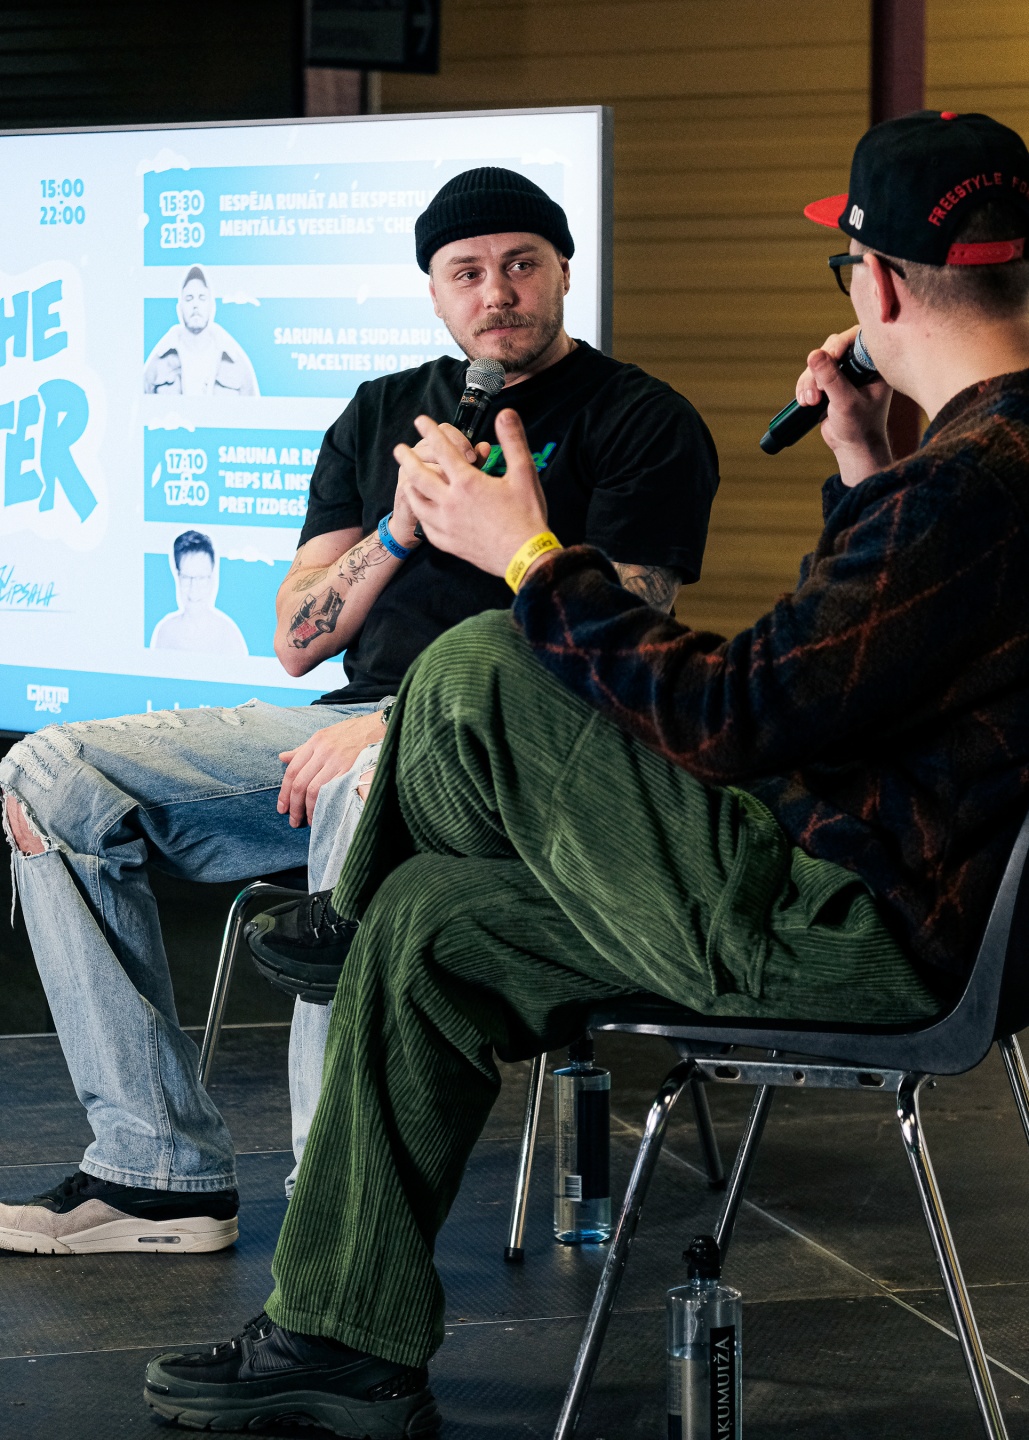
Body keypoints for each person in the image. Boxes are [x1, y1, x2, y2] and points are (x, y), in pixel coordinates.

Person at [141, 110, 1029, 1438]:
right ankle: (341, 1342)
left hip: (852, 930)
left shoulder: (971, 484)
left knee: (486, 659)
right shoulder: (976, 466)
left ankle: (345, 909)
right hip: (876, 886)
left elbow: (736, 715)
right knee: (427, 923)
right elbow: (870, 672)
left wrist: (528, 555)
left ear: (881, 286)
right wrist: (859, 455)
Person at [0, 167, 719, 1255]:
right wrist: (397, 531)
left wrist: (409, 706)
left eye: (521, 264)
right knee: (48, 776)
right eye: (466, 272)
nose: (497, 292)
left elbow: (617, 650)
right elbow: (298, 641)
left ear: (564, 271)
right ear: (434, 290)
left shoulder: (641, 419)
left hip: (528, 757)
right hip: (344, 722)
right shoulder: (381, 413)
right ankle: (157, 1171)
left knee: (356, 777)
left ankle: (337, 1220)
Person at [143, 266, 259, 396]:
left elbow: (254, 408)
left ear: (212, 306)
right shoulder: (158, 363)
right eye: (189, 298)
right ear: (179, 308)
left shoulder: (236, 363)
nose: (195, 305)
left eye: (202, 298)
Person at [150, 530, 249, 656]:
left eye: (201, 578)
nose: (194, 588)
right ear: (178, 577)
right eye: (186, 578)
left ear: (212, 579)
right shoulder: (166, 632)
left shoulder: (228, 634)